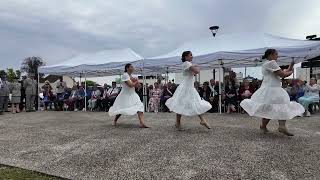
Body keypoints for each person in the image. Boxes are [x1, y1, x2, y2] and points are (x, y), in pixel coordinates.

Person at [240, 49, 304, 136]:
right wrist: (291, 71)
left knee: (280, 106)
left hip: (274, 89)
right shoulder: (271, 63)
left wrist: (291, 66)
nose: (277, 56)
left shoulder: (268, 63)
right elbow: (282, 74)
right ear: (270, 55)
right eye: (276, 54)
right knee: (271, 107)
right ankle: (265, 126)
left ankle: (281, 126)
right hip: (272, 89)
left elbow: (282, 72)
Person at [166, 51, 211, 130]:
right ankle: (178, 122)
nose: (192, 56)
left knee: (191, 102)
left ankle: (201, 120)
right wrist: (197, 67)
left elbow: (193, 73)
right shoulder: (187, 63)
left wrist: (194, 68)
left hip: (188, 86)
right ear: (186, 57)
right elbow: (196, 71)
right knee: (188, 102)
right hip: (186, 87)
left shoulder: (187, 64)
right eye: (190, 55)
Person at [109, 63, 149, 128]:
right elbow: (130, 85)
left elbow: (136, 86)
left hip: (133, 94)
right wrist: (136, 81)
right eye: (131, 67)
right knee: (121, 109)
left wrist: (138, 84)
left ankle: (142, 123)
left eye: (132, 67)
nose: (133, 68)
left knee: (140, 106)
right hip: (125, 95)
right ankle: (115, 120)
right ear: (127, 68)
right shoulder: (125, 75)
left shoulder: (130, 76)